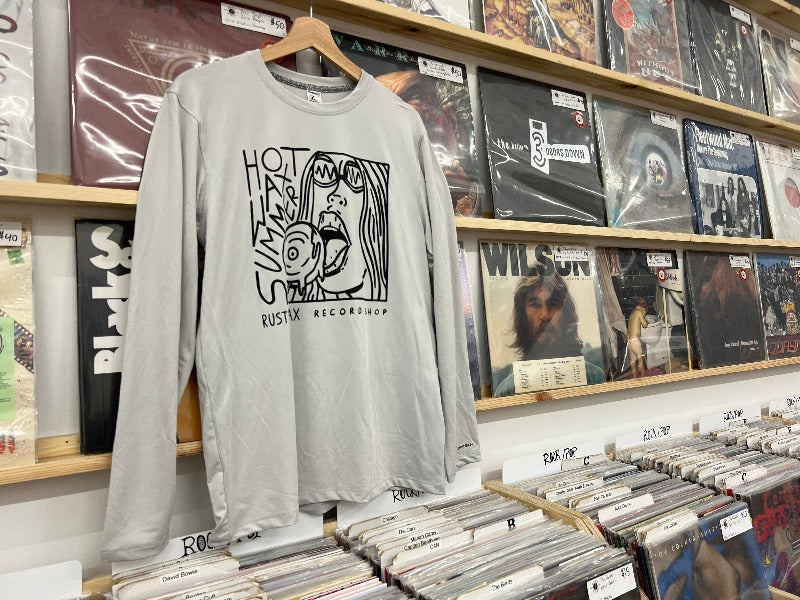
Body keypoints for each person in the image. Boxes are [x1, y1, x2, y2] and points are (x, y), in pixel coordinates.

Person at [494, 272, 605, 396]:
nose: (545, 315)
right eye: (535, 305)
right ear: (523, 317)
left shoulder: (594, 378)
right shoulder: (507, 391)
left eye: (553, 304)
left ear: (566, 314)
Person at [627, 297, 649, 378]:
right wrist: (646, 320)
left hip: (629, 339)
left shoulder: (633, 311)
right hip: (635, 340)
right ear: (642, 306)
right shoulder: (639, 312)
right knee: (640, 360)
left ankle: (634, 377)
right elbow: (645, 325)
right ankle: (643, 378)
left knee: (632, 360)